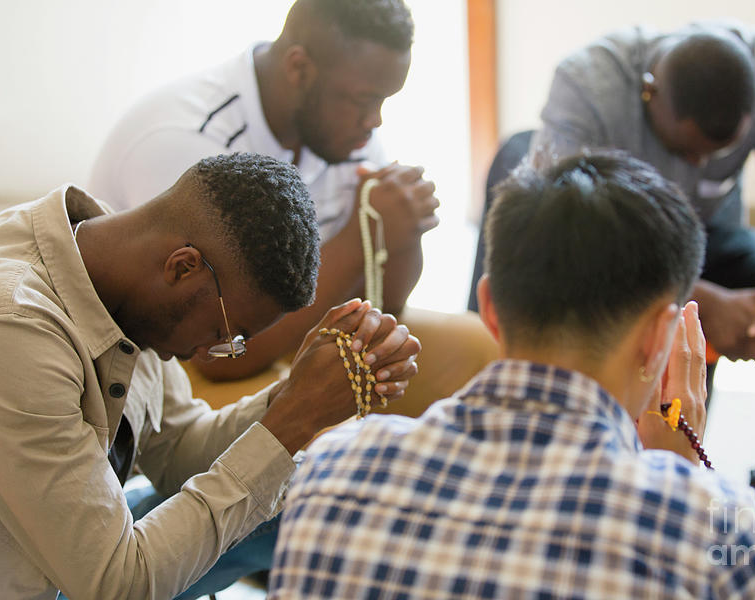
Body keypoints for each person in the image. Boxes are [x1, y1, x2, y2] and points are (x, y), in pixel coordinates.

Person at [267, 150, 755, 599]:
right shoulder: (721, 533)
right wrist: (675, 479)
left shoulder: (329, 474)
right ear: (660, 337)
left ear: (490, 308)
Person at [530, 21, 755, 600]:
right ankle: (624, 505)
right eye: (688, 150)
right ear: (649, 91)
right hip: (605, 248)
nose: (703, 164)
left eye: (721, 154)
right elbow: (568, 236)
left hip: (708, 240)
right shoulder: (589, 83)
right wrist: (704, 302)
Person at [0, 152, 420, 600]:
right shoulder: (14, 327)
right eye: (223, 334)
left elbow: (177, 451)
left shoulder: (118, 270)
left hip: (89, 564)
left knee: (323, 490)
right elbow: (118, 585)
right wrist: (292, 420)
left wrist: (294, 395)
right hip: (69, 581)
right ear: (183, 267)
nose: (212, 356)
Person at [87, 0, 493, 404]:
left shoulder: (340, 130)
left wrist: (401, 231)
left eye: (384, 100)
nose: (374, 121)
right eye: (363, 101)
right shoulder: (189, 139)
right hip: (169, 367)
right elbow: (221, 351)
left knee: (479, 349)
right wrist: (359, 239)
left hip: (289, 342)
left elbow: (386, 301)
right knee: (323, 422)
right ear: (299, 68)